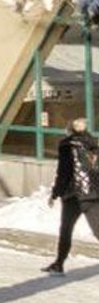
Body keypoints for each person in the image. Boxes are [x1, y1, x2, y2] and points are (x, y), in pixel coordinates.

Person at [47, 117, 99, 273]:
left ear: (69, 130)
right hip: (93, 193)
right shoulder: (93, 143)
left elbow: (64, 172)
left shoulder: (66, 145)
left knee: (66, 229)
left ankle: (59, 264)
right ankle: (57, 264)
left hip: (73, 196)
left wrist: (55, 193)